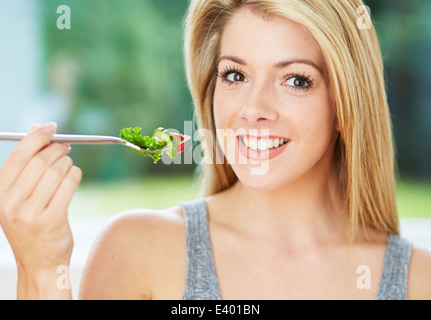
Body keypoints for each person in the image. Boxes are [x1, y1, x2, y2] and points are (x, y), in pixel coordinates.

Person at [0, 0, 430, 300]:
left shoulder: (418, 282)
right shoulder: (137, 250)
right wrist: (40, 270)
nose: (253, 110)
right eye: (235, 76)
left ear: (345, 105)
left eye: (296, 80)